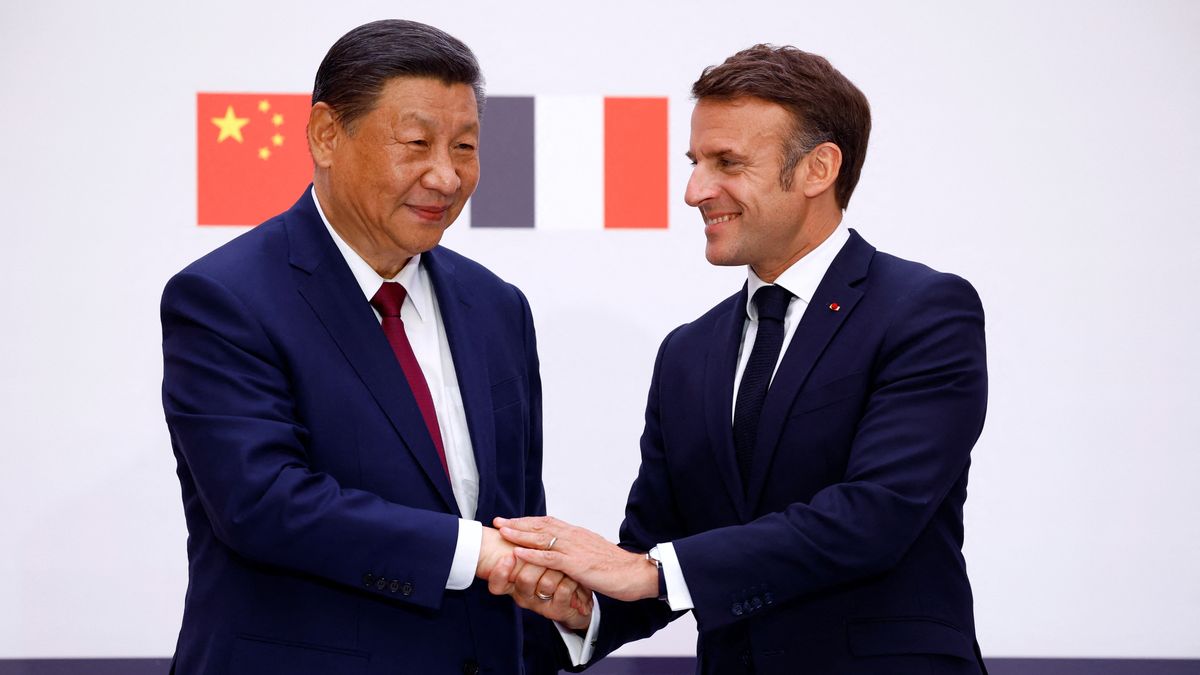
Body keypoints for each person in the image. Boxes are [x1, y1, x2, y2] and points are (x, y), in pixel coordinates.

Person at [496, 44, 990, 674]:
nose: (695, 191)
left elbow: (875, 516)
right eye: (695, 162)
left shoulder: (923, 310)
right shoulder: (688, 352)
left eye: (726, 162)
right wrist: (582, 608)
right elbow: (657, 554)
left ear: (818, 169)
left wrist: (647, 572)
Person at [161, 19, 589, 675]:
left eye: (466, 146)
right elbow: (264, 503)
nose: (445, 176)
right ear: (327, 135)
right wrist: (476, 551)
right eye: (416, 143)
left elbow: (515, 516)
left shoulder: (497, 306)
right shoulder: (225, 298)